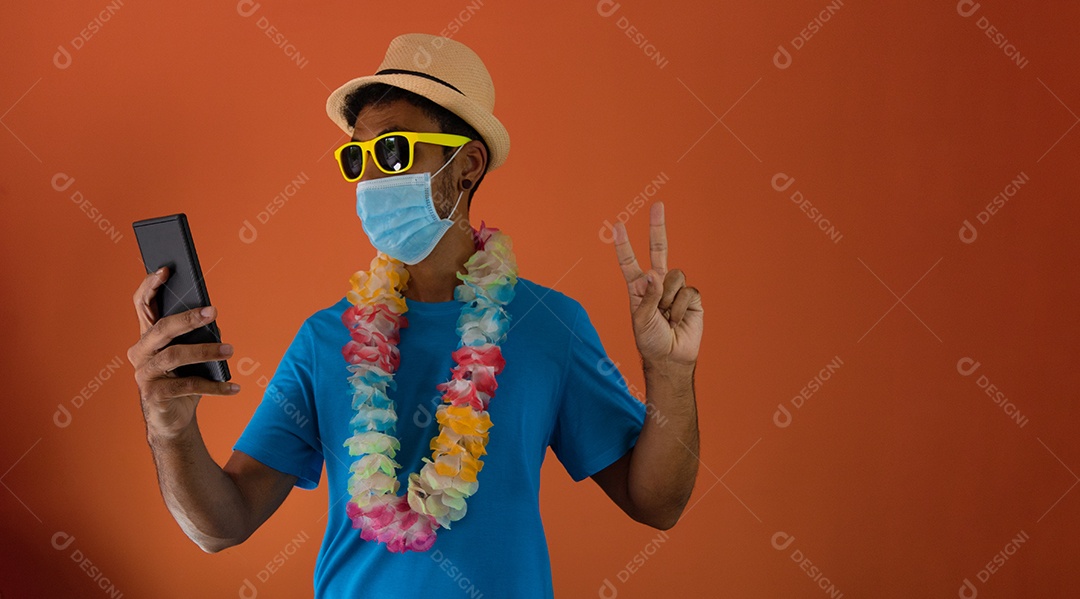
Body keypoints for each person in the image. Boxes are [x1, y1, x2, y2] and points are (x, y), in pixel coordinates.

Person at [127, 33, 703, 598]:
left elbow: (656, 504)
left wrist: (670, 375)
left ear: (468, 164)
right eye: (357, 157)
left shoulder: (551, 325)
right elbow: (221, 525)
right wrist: (170, 430)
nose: (372, 177)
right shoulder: (325, 340)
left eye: (395, 151)